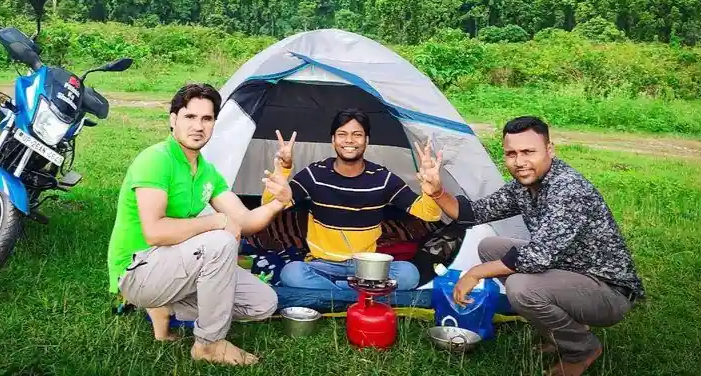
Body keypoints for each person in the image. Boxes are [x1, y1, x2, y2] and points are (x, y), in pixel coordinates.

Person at [417, 115, 644, 376]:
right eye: (511, 153)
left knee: (521, 287)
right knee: (490, 247)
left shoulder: (567, 189)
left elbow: (536, 258)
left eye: (528, 152)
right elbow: (474, 212)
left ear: (550, 150)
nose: (520, 162)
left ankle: (582, 349)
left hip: (608, 291)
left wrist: (474, 273)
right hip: (571, 271)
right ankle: (561, 330)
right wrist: (436, 191)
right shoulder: (523, 187)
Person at [106, 83, 293, 366]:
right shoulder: (156, 160)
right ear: (173, 120)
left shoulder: (207, 171)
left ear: (214, 123)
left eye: (207, 119)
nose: (198, 126)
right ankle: (208, 344)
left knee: (262, 303)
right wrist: (215, 221)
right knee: (220, 240)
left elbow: (244, 222)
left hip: (176, 266)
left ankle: (165, 305)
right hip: (138, 270)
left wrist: (278, 202)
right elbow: (155, 232)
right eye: (190, 117)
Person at [263, 108, 443, 291]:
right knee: (292, 273)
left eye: (357, 134)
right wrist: (282, 170)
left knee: (408, 274)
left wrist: (432, 190)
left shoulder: (382, 179)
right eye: (342, 134)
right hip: (323, 265)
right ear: (333, 141)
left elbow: (430, 215)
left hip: (367, 266)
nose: (349, 140)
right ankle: (363, 292)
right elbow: (269, 206)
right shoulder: (315, 174)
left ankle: (336, 292)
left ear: (366, 141)